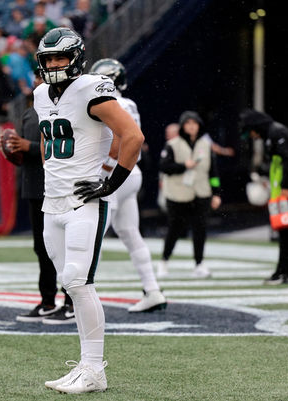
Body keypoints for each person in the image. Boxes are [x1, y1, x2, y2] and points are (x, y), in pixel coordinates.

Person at [34, 28, 144, 393]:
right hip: (53, 203)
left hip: (84, 201)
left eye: (60, 57)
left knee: (80, 281)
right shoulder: (39, 96)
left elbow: (132, 136)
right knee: (70, 283)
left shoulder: (91, 89)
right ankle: (86, 364)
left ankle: (95, 368)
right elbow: (47, 142)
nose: (53, 65)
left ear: (76, 58)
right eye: (48, 59)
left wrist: (110, 183)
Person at [89, 58, 166, 313]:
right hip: (132, 173)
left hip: (114, 172)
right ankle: (152, 289)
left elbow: (117, 141)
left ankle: (76, 296)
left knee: (92, 236)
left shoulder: (109, 104)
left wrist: (105, 172)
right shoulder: (129, 103)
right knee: (130, 232)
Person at [0, 68, 74, 324]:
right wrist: (14, 150)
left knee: (63, 248)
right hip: (34, 186)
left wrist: (27, 147)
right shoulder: (30, 111)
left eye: (41, 77)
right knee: (43, 248)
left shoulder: (63, 108)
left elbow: (61, 145)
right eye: (36, 77)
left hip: (56, 187)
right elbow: (25, 152)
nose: (37, 81)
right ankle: (47, 301)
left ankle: (71, 300)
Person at [240, 109, 288, 284]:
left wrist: (285, 186)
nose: (253, 136)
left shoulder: (277, 132)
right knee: (284, 230)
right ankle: (283, 271)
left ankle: (287, 273)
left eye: (252, 131)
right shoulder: (272, 134)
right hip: (282, 190)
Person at [156, 111, 222, 279]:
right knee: (175, 228)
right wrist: (183, 165)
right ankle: (164, 261)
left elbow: (213, 172)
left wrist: (216, 193)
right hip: (178, 193)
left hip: (201, 191)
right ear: (183, 126)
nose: (192, 126)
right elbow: (164, 166)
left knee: (200, 228)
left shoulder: (205, 145)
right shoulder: (173, 144)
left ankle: (199, 263)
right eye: (188, 123)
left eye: (195, 123)